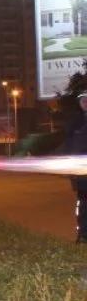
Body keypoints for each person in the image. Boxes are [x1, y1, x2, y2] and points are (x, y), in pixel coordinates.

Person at [66, 94, 87, 243]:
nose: (86, 103)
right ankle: (83, 234)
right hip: (81, 173)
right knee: (84, 203)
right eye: (83, 100)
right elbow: (68, 147)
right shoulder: (75, 123)